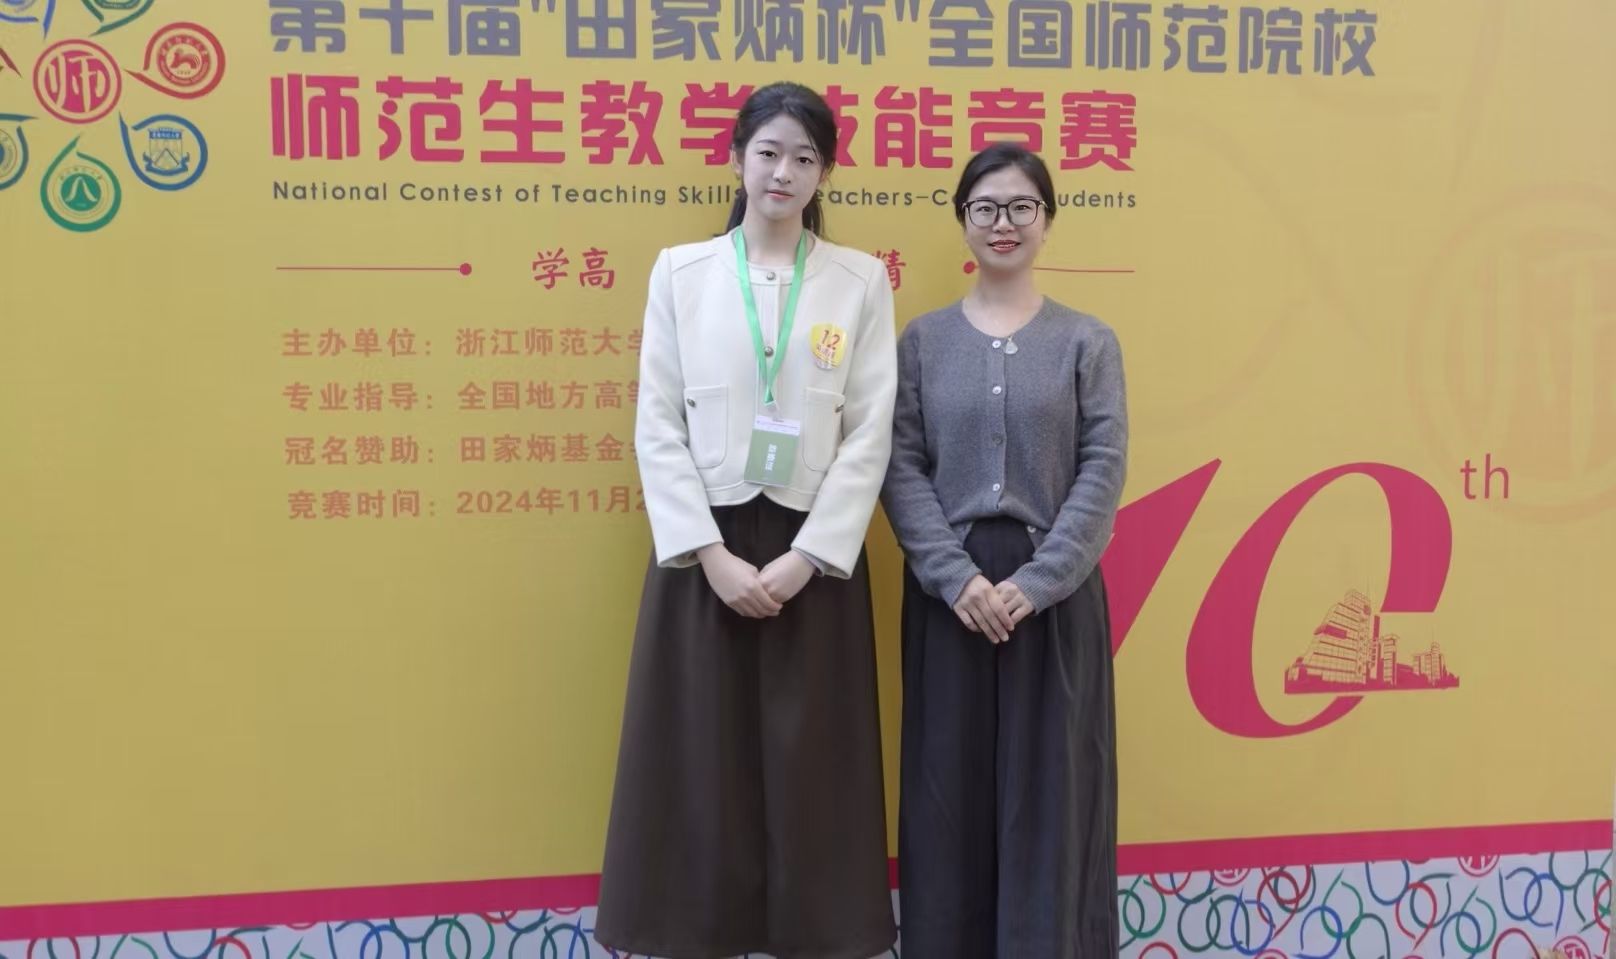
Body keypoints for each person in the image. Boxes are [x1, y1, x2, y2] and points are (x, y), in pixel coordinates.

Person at [595, 81, 899, 959]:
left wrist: (810, 556)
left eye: (805, 157)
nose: (783, 172)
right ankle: (696, 933)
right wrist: (709, 553)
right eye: (768, 152)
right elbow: (657, 422)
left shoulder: (860, 280)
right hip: (707, 552)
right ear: (736, 159)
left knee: (817, 760)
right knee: (700, 755)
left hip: (813, 556)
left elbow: (871, 429)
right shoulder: (681, 271)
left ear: (825, 172)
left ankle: (818, 934)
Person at [881, 142, 1127, 958]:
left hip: (1053, 598)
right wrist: (954, 577)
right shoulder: (922, 341)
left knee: (1053, 799)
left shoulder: (1087, 341)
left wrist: (1040, 580)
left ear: (1047, 220)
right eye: (985, 207)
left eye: (1023, 206)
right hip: (948, 598)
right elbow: (901, 465)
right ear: (963, 220)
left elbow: (1103, 466)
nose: (1004, 223)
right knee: (945, 798)